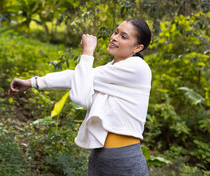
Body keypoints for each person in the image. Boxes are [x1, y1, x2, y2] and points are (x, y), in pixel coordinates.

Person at [8, 18, 152, 176]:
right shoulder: (110, 69)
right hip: (100, 157)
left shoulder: (138, 67)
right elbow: (76, 77)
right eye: (116, 32)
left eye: (124, 36)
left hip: (124, 159)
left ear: (138, 48)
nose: (114, 37)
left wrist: (88, 52)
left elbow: (79, 95)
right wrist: (32, 82)